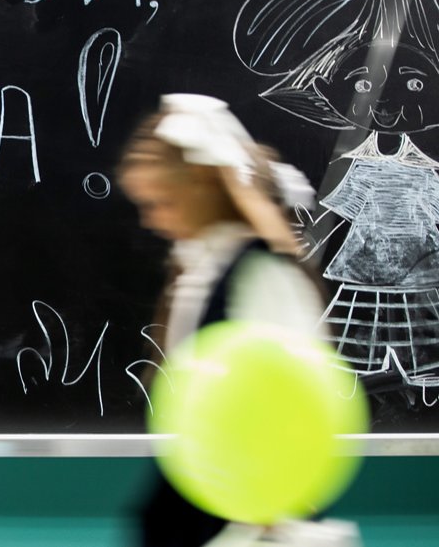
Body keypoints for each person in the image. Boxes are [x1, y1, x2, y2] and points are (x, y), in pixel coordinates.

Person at [117, 93, 325, 547]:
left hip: (247, 508)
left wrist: (270, 510)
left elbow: (293, 395)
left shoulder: (259, 271)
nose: (150, 220)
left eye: (161, 202)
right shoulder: (201, 265)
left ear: (203, 185)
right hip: (202, 499)